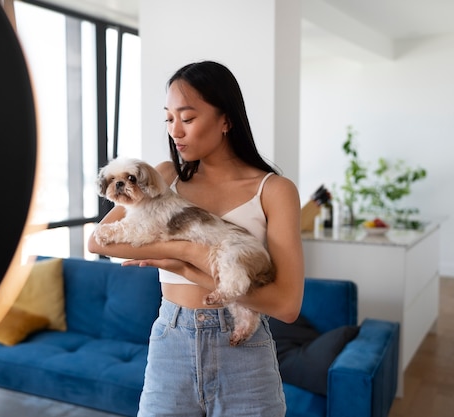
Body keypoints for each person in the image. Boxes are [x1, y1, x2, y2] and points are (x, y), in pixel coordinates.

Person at [88, 60, 304, 417]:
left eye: (187, 118)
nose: (176, 131)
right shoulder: (163, 176)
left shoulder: (274, 190)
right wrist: (184, 252)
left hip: (245, 348)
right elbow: (99, 241)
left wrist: (183, 260)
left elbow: (286, 305)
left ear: (226, 120)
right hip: (171, 341)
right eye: (169, 118)